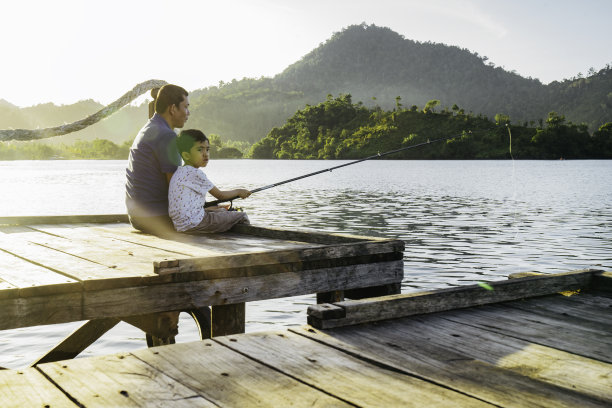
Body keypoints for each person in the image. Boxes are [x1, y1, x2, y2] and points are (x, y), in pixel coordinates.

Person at [125, 84, 189, 236]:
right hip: (156, 218)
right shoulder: (167, 136)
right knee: (232, 218)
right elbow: (175, 190)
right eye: (185, 107)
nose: (188, 113)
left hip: (137, 217)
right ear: (173, 109)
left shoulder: (149, 128)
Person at [169, 129, 251, 233]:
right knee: (241, 216)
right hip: (195, 223)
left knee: (220, 210)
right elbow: (220, 195)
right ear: (186, 155)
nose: (205, 154)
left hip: (181, 224)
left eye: (207, 149)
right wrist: (239, 191)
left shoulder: (179, 171)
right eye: (200, 150)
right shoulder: (196, 173)